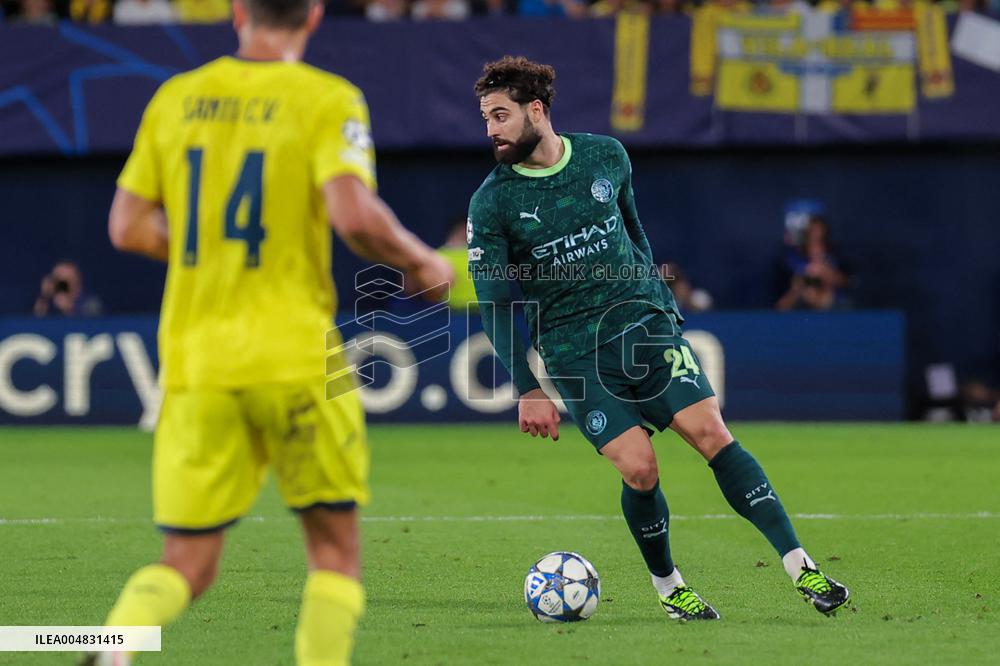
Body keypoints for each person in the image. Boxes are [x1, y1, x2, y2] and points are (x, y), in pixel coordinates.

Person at [84, 0, 452, 663]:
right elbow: (354, 214)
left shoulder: (176, 99)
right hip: (295, 355)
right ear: (312, 17)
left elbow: (126, 227)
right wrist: (422, 259)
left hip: (198, 364)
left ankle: (113, 646)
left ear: (238, 12)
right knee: (334, 554)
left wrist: (212, 250)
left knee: (187, 563)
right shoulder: (325, 97)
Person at [468, 56, 848, 621]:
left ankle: (802, 567)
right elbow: (497, 304)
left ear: (537, 110)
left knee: (713, 432)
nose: (491, 130)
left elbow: (634, 231)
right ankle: (671, 587)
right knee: (641, 469)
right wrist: (528, 388)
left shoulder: (605, 156)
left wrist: (662, 306)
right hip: (575, 352)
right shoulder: (493, 202)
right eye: (486, 119)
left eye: (500, 116)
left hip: (644, 328)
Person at [33, 260, 103, 317]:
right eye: (56, 279)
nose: (60, 284)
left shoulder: (91, 303)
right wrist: (44, 296)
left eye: (66, 279)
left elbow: (91, 327)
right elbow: (35, 323)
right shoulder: (49, 302)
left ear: (77, 281)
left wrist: (68, 310)